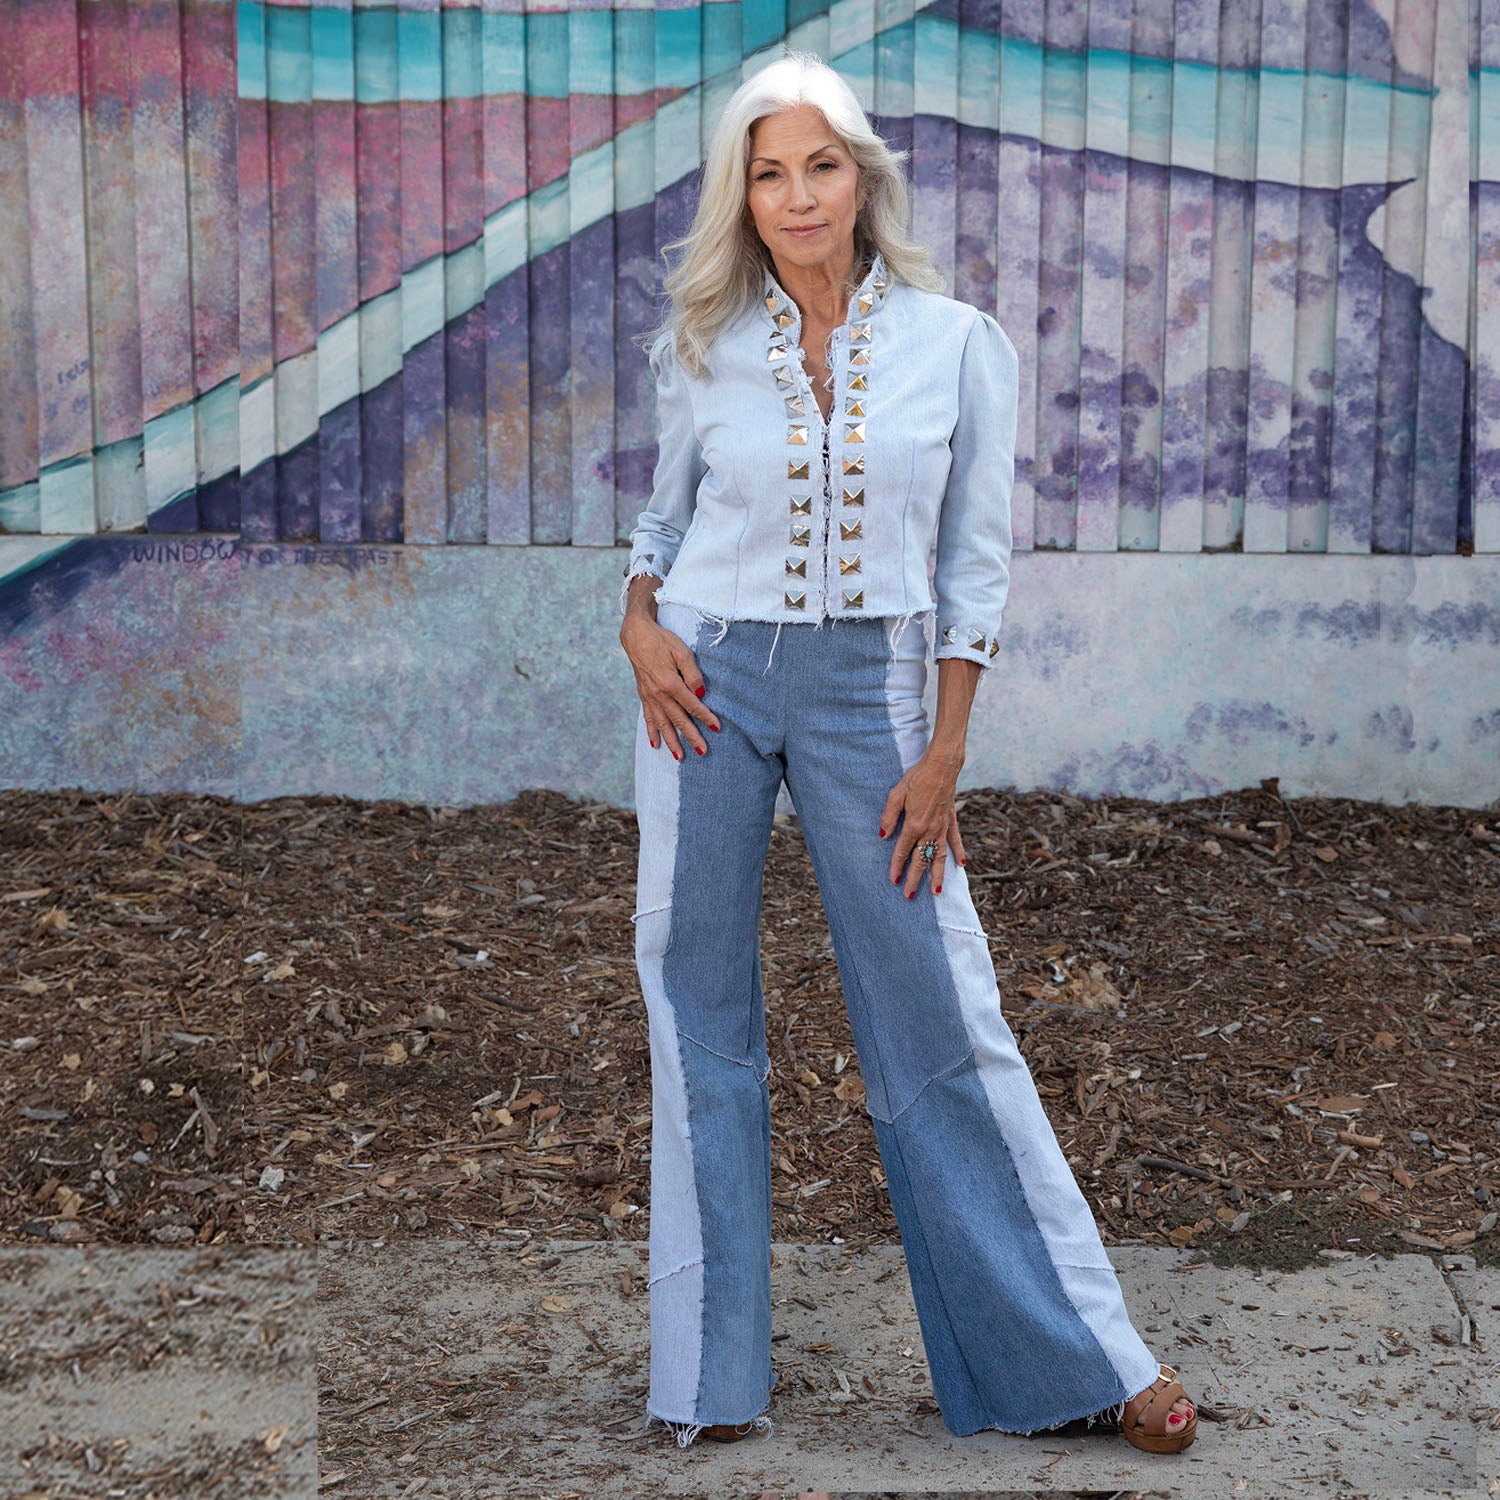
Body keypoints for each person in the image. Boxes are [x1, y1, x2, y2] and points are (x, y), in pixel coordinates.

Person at [617, 49, 1198, 1457]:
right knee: (697, 1012)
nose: (797, 194)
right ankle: (705, 1379)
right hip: (702, 684)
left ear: (863, 180)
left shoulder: (956, 345)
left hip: (874, 692)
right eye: (769, 172)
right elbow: (658, 531)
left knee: (943, 1019)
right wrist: (636, 623)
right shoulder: (699, 346)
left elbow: (973, 572)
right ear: (741, 199)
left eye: (821, 165)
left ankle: (1084, 1356)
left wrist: (944, 753)